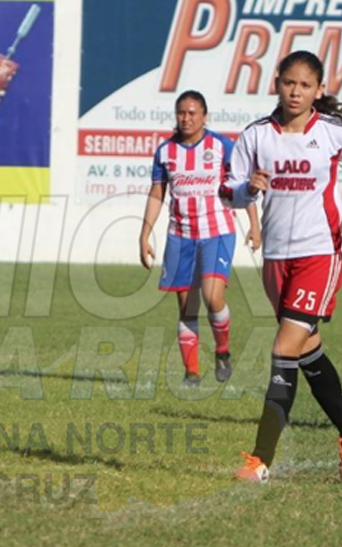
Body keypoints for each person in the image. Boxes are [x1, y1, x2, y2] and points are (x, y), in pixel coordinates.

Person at [224, 51, 342, 483]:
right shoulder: (256, 135)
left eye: (305, 85)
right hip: (276, 258)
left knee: (283, 350)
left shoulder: (331, 133)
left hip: (320, 253)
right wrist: (246, 188)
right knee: (307, 351)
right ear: (277, 83)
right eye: (289, 83)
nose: (296, 92)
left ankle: (260, 460)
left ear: (319, 90)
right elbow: (228, 191)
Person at [139, 90, 261, 386]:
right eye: (181, 112)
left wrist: (254, 224)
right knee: (186, 307)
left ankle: (222, 351)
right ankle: (191, 372)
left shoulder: (222, 146)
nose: (187, 118)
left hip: (217, 232)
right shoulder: (165, 151)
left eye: (192, 113)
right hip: (180, 236)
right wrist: (144, 234)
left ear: (204, 116)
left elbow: (239, 187)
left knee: (213, 296)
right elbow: (157, 192)